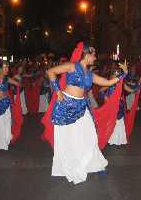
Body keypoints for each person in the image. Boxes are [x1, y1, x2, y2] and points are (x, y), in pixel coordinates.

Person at [42, 42, 128, 184]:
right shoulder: (71, 66)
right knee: (66, 138)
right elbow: (50, 72)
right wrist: (57, 90)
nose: (95, 58)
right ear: (87, 55)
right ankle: (67, 165)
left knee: (90, 135)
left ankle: (95, 164)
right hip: (66, 105)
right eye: (94, 56)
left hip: (81, 107)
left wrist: (123, 74)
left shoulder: (90, 74)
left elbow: (107, 82)